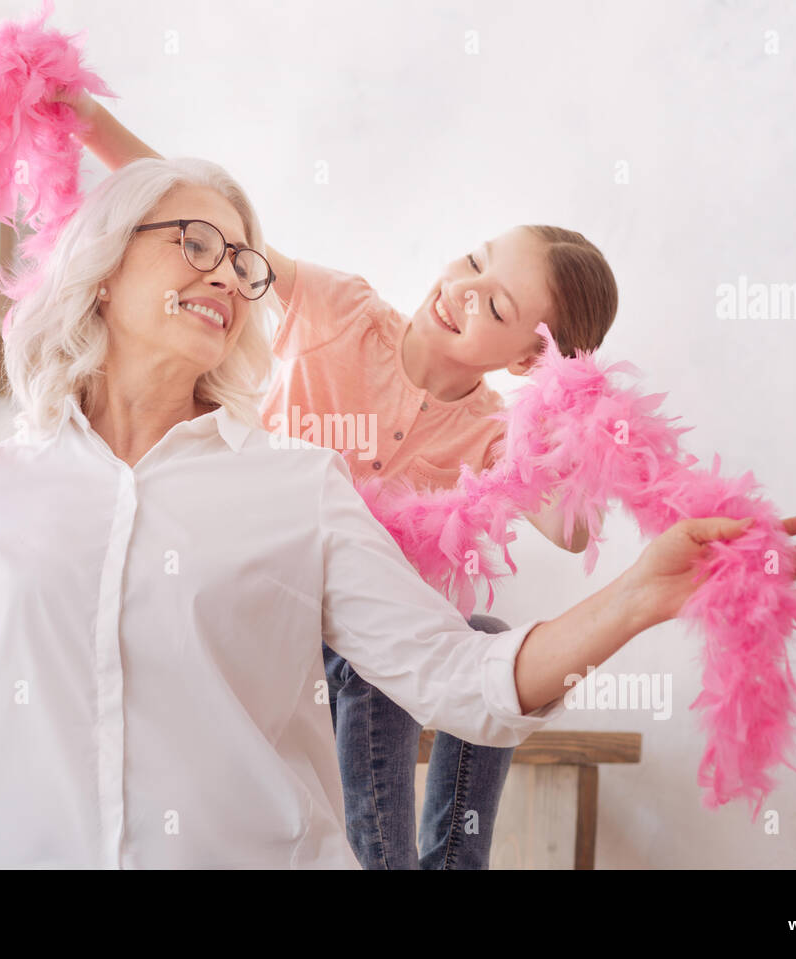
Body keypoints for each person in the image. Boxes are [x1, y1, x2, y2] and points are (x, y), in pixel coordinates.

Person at [0, 155, 796, 869]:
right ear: (102, 270)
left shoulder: (297, 491)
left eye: (240, 256)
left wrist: (636, 596)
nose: (225, 267)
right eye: (190, 239)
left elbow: (465, 682)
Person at [62, 92, 612, 869]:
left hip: (381, 638)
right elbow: (222, 238)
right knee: (371, 657)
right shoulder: (341, 311)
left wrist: (569, 399)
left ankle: (454, 861)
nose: (461, 289)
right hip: (272, 598)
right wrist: (88, 121)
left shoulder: (491, 435)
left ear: (529, 358)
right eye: (475, 260)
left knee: (483, 637)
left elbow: (574, 527)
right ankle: (378, 859)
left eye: (493, 303)